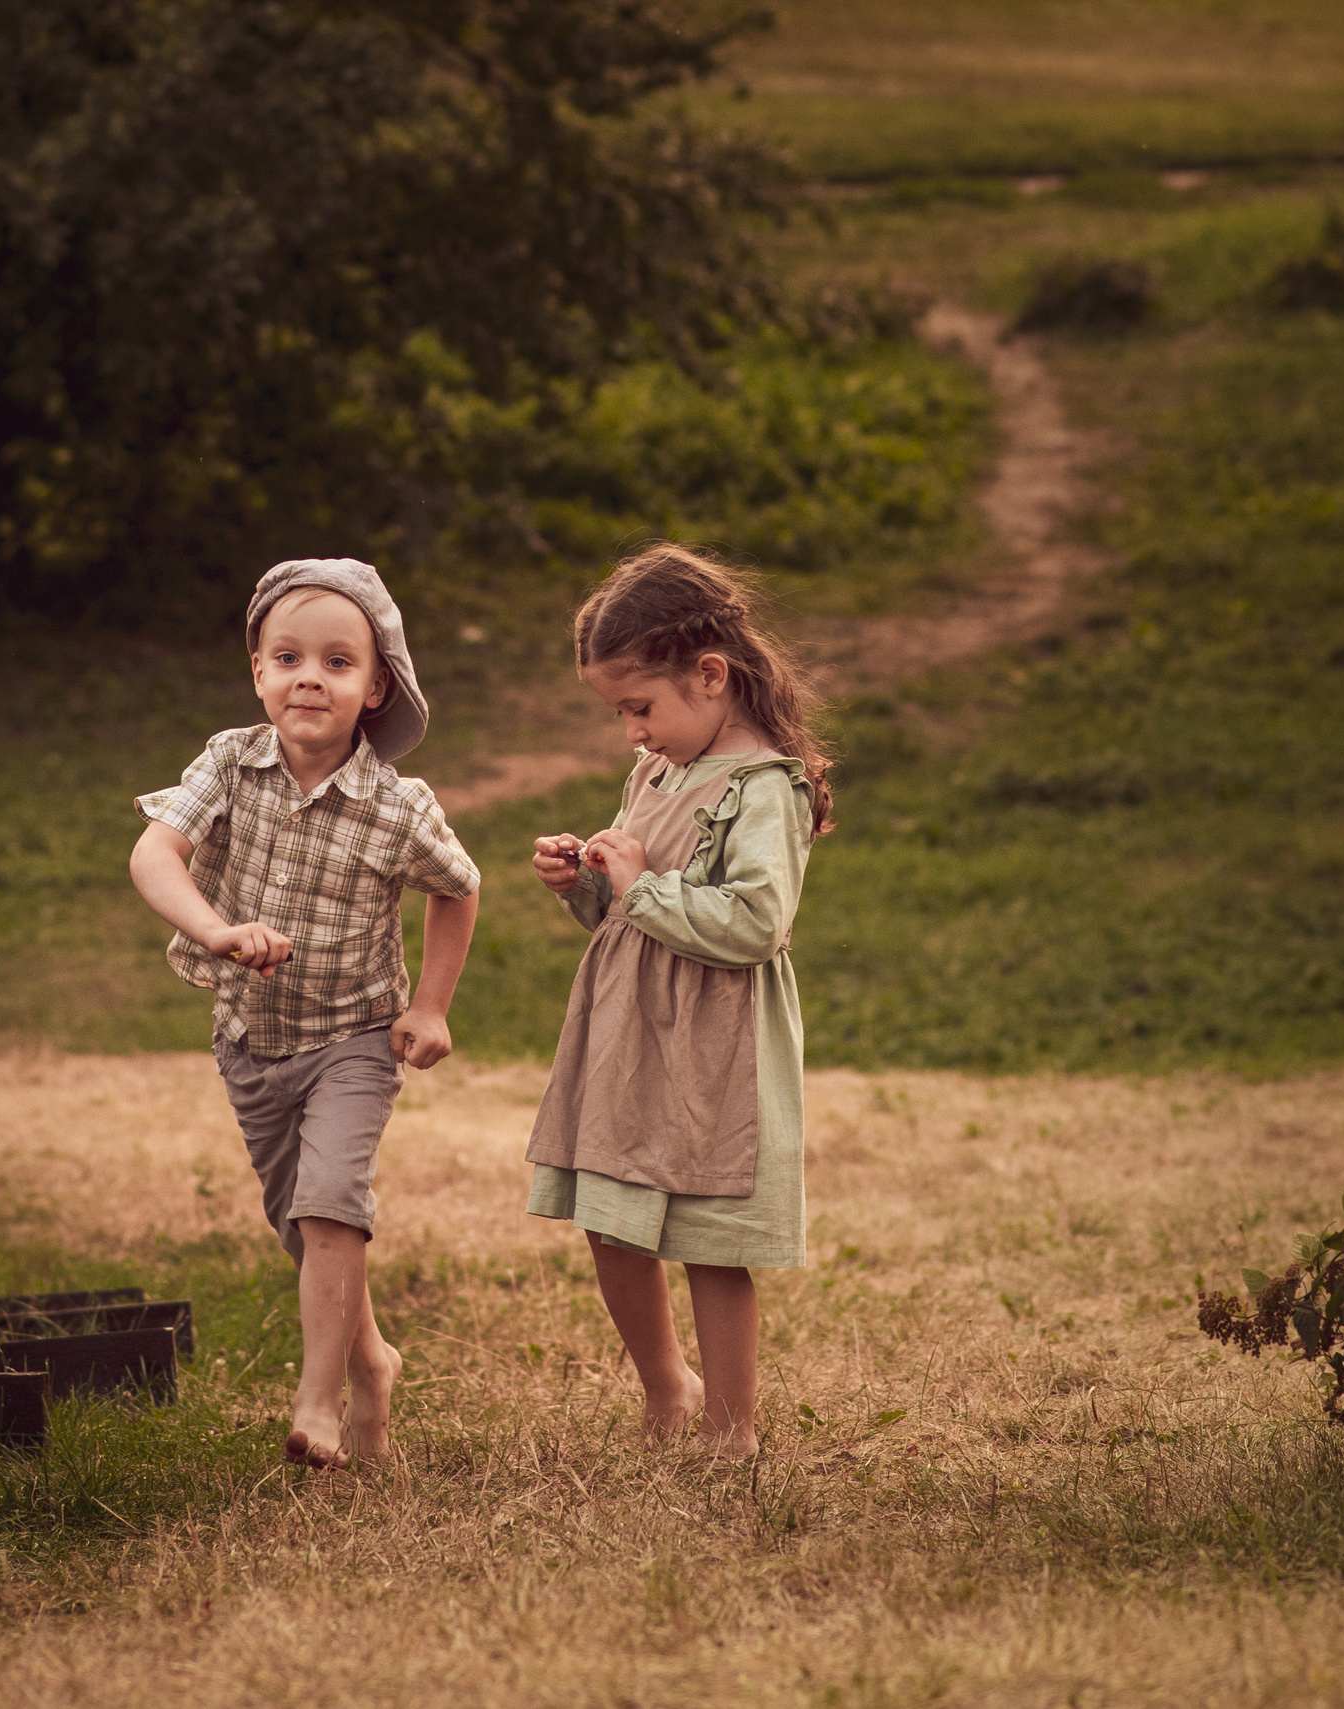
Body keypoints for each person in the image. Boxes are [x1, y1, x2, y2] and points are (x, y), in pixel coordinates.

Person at [131, 558, 480, 1469]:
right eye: (287, 657)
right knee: (298, 1219)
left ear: (375, 689)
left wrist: (431, 1006)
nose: (309, 677)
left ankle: (316, 1403)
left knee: (332, 1207)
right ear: (258, 671)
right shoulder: (229, 764)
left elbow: (460, 887)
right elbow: (154, 854)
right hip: (251, 1041)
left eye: (337, 661)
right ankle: (372, 1362)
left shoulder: (397, 807)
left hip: (355, 1040)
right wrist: (216, 929)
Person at [526, 544, 832, 1456]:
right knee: (609, 1212)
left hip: (714, 1045)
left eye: (639, 706)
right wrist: (585, 880)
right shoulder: (661, 769)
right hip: (630, 1034)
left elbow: (755, 923)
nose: (632, 730)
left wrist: (640, 888)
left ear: (709, 675)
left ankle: (730, 1428)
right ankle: (667, 1387)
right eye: (620, 711)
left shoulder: (765, 788)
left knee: (708, 1234)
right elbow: (630, 903)